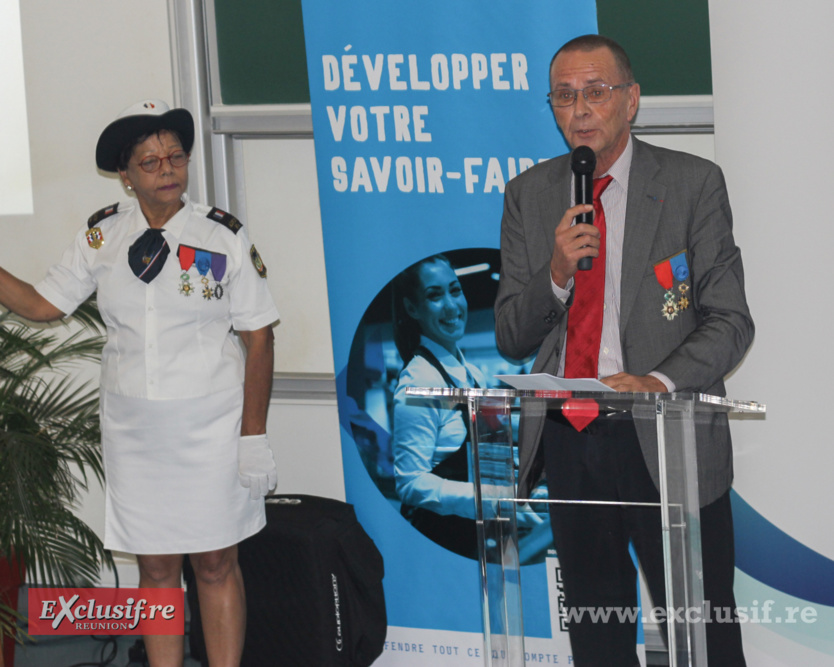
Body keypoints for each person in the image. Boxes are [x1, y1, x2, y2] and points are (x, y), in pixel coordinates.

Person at [494, 35, 754, 666]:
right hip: (571, 437)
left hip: (666, 437)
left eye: (596, 92)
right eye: (564, 96)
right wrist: (555, 272)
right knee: (599, 637)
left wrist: (659, 382)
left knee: (704, 636)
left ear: (631, 101)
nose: (580, 109)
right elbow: (510, 334)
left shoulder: (692, 184)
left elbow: (730, 322)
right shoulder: (529, 196)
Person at [0, 100, 279, 666]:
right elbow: (42, 304)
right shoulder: (101, 238)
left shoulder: (221, 234)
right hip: (137, 433)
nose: (168, 168)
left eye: (175, 155)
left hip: (211, 428)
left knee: (215, 561)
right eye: (150, 161)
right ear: (125, 176)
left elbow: (260, 336)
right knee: (155, 566)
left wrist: (253, 434)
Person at [391, 254, 486, 559]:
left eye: (455, 290)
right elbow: (410, 482)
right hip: (436, 544)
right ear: (412, 308)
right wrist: (484, 499)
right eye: (434, 295)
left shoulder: (473, 374)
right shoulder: (417, 382)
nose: (451, 306)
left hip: (476, 534)